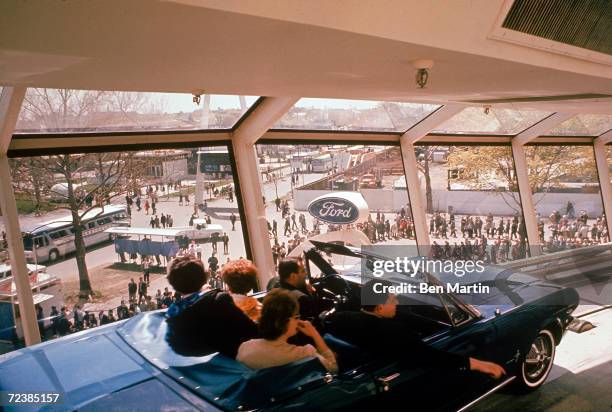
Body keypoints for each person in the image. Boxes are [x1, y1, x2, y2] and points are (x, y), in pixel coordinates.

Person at [325, 279, 506, 379]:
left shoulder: (339, 318)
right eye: (393, 299)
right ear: (379, 307)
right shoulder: (394, 333)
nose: (397, 302)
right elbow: (431, 356)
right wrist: (479, 364)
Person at [165, 255, 258, 357]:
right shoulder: (218, 299)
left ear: (174, 285)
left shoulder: (173, 311)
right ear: (205, 277)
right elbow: (250, 330)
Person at [237, 289, 337, 372]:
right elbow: (333, 368)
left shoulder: (245, 349)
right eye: (296, 316)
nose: (298, 320)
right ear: (287, 321)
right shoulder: (306, 353)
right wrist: (314, 333)